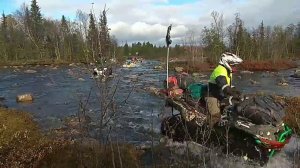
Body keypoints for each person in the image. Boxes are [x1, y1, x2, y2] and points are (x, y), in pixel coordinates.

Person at [206, 52, 243, 127]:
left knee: (233, 110)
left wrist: (239, 93)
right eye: (234, 65)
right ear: (227, 63)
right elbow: (225, 88)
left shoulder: (228, 71)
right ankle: (210, 132)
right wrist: (235, 95)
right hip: (212, 96)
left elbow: (229, 85)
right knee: (215, 116)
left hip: (220, 95)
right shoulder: (220, 70)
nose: (235, 67)